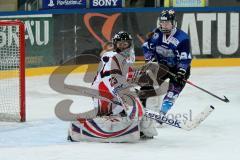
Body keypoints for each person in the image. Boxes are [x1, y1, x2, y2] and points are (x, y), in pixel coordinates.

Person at [68, 31, 157, 142]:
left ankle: (139, 128)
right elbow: (111, 81)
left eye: (126, 44)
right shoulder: (111, 57)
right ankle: (78, 128)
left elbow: (126, 77)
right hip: (103, 93)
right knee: (121, 113)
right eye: (120, 44)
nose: (123, 47)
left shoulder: (127, 58)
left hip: (115, 93)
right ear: (115, 45)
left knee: (137, 114)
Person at [140, 9, 192, 115]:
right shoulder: (156, 33)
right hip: (161, 66)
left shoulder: (183, 38)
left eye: (167, 23)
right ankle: (140, 106)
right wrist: (150, 59)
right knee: (147, 84)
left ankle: (162, 114)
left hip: (178, 69)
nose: (164, 25)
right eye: (162, 23)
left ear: (173, 23)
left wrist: (181, 72)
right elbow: (146, 47)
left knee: (172, 93)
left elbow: (185, 58)